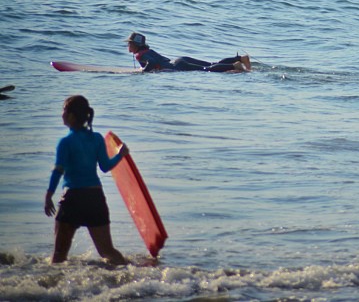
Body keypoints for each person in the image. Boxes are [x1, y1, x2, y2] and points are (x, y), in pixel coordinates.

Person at [44, 95, 129, 264]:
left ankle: (52, 288)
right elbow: (105, 166)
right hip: (95, 198)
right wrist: (121, 155)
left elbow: (58, 171)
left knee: (59, 255)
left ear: (72, 116)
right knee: (107, 251)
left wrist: (48, 195)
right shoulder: (97, 139)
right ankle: (136, 276)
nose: (61, 114)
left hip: (73, 199)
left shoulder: (66, 142)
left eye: (64, 110)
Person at [126, 32, 250, 72]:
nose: (128, 45)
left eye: (129, 43)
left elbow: (151, 62)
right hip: (179, 59)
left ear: (135, 45)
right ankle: (240, 59)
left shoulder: (140, 55)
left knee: (206, 69)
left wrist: (143, 72)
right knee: (211, 64)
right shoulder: (148, 50)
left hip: (177, 65)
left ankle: (234, 66)